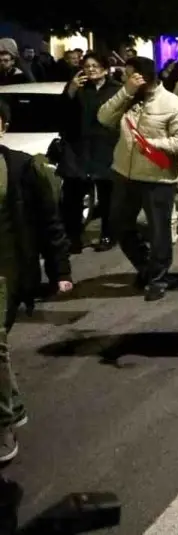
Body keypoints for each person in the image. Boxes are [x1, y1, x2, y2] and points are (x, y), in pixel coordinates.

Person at [0, 99, 73, 460]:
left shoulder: (21, 167)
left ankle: (3, 425)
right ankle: (12, 407)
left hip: (7, 273)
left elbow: (49, 221)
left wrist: (61, 269)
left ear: (2, 126)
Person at [98, 56, 178, 302]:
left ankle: (157, 278)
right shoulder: (128, 98)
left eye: (130, 74)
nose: (125, 78)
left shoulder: (173, 104)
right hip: (124, 173)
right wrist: (125, 92)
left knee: (159, 231)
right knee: (119, 223)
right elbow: (103, 118)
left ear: (144, 76)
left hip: (157, 177)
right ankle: (146, 266)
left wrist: (154, 144)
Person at [58, 51, 121, 253]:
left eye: (95, 66)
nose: (90, 70)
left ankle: (108, 234)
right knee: (73, 195)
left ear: (104, 68)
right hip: (79, 148)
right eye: (86, 66)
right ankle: (74, 237)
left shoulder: (116, 89)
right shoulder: (78, 88)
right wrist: (71, 90)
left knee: (107, 194)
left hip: (106, 147)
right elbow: (63, 113)